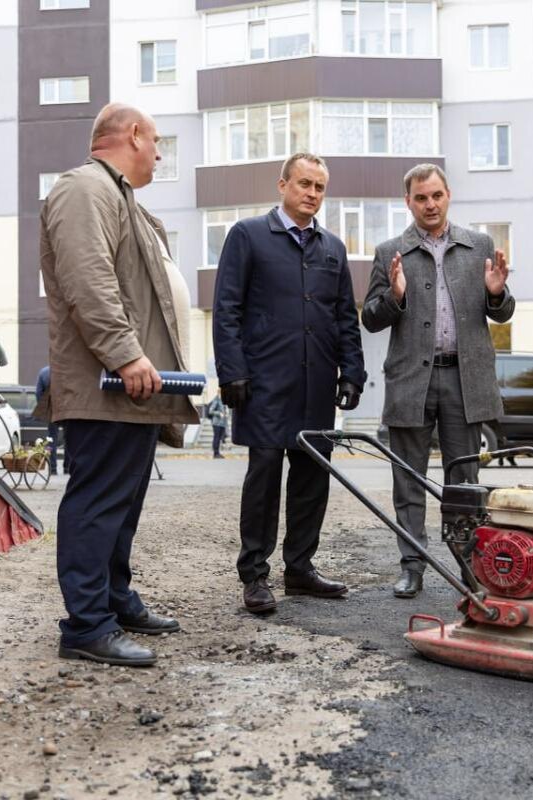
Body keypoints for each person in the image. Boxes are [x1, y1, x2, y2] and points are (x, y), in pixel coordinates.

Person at [39, 103, 197, 667]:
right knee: (98, 502)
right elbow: (89, 278)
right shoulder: (84, 188)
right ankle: (86, 624)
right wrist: (127, 353)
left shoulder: (120, 195)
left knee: (122, 502)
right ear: (133, 135)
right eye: (156, 142)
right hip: (104, 382)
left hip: (131, 388)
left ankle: (113, 597)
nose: (158, 153)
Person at [213, 153, 366, 615]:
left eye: (319, 187)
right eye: (304, 183)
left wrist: (352, 371)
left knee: (311, 478)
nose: (312, 194)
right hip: (262, 383)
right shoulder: (248, 236)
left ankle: (300, 568)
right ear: (282, 184)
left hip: (315, 382)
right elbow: (227, 309)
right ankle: (255, 575)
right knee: (263, 477)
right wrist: (232, 371)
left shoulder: (332, 249)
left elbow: (345, 317)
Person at [362, 163, 514, 599]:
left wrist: (497, 292)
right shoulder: (390, 250)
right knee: (407, 479)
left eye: (437, 195)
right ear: (408, 202)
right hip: (412, 380)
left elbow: (501, 313)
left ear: (449, 196)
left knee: (464, 481)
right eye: (421, 198)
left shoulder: (479, 245)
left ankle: (470, 566)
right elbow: (369, 318)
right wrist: (393, 297)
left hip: (465, 380)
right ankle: (412, 565)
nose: (430, 204)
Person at [35, 365, 65, 476]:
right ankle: (67, 467)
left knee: (52, 439)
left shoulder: (44, 372)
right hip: (66, 408)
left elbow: (38, 392)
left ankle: (53, 468)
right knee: (69, 438)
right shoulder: (66, 369)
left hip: (51, 409)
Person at [206, 392, 229, 458]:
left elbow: (223, 410)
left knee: (219, 438)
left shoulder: (222, 400)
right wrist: (219, 413)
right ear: (219, 392)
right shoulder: (216, 400)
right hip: (216, 423)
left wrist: (225, 413)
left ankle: (217, 453)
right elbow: (211, 411)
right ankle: (215, 453)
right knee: (216, 438)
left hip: (222, 423)